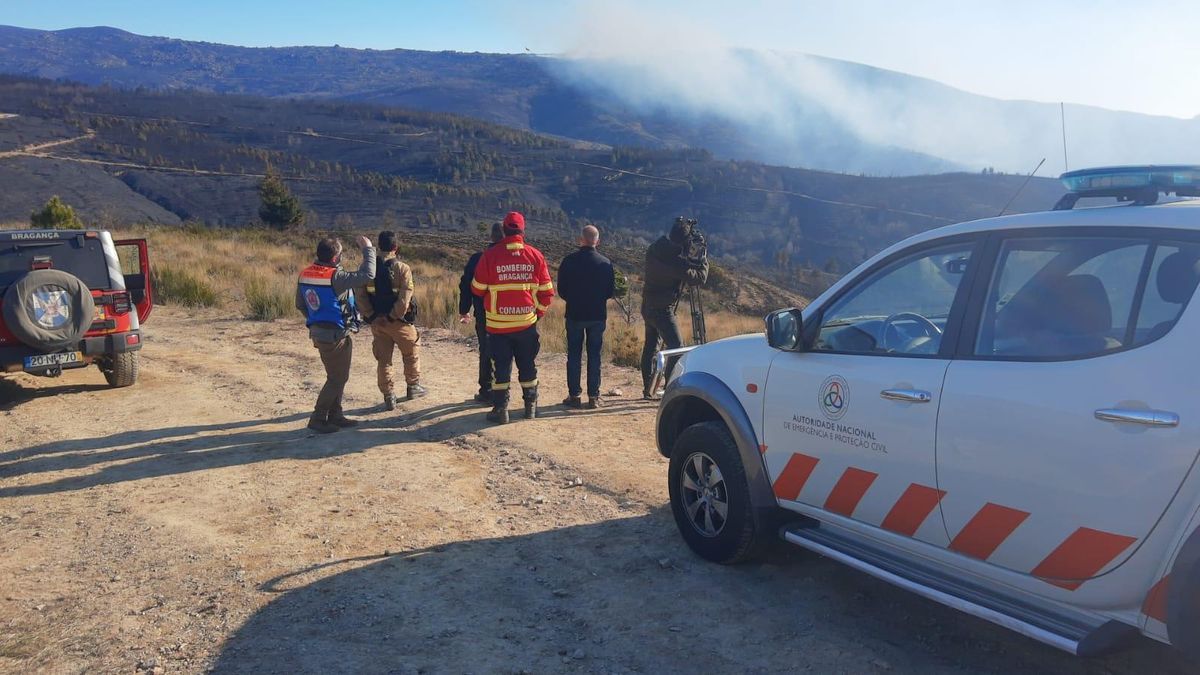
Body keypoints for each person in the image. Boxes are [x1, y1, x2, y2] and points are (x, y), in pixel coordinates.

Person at [471, 211, 554, 424]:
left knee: (501, 368)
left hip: (498, 325)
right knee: (527, 365)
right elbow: (547, 292)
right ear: (522, 231)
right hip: (526, 323)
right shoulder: (535, 256)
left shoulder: (489, 256)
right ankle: (530, 406)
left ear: (505, 230)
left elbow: (478, 288)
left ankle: (501, 409)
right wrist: (538, 313)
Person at [296, 234, 376, 433]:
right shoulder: (335, 277)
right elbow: (368, 274)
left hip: (319, 332)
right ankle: (318, 417)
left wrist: (316, 320)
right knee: (337, 378)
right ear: (334, 258)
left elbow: (300, 304)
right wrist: (368, 249)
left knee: (337, 375)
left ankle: (335, 415)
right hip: (335, 334)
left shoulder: (305, 274)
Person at [355, 230, 427, 411]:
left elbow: (360, 296)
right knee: (411, 353)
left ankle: (389, 395)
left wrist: (372, 317)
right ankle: (413, 386)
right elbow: (405, 300)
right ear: (396, 247)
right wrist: (391, 316)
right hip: (399, 322)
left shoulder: (366, 268)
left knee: (384, 360)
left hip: (378, 323)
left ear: (379, 247)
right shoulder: (402, 268)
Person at [640, 218, 708, 399]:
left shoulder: (655, 248)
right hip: (663, 310)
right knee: (676, 347)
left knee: (650, 346)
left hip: (647, 305)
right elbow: (699, 278)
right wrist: (703, 258)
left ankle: (648, 388)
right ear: (684, 242)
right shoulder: (676, 263)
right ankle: (670, 389)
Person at [557, 224, 614, 409]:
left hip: (574, 314)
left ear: (580, 240)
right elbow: (609, 291)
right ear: (597, 241)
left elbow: (562, 291)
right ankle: (593, 397)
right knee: (594, 355)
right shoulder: (605, 263)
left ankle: (574, 396)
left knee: (574, 354)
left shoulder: (568, 261)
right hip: (597, 315)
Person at [458, 223, 505, 404]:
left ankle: (487, 390)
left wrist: (464, 310)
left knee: (486, 349)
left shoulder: (478, 258)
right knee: (505, 351)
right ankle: (501, 389)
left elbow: (466, 286)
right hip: (510, 314)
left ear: (491, 237)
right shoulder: (512, 258)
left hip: (484, 313)